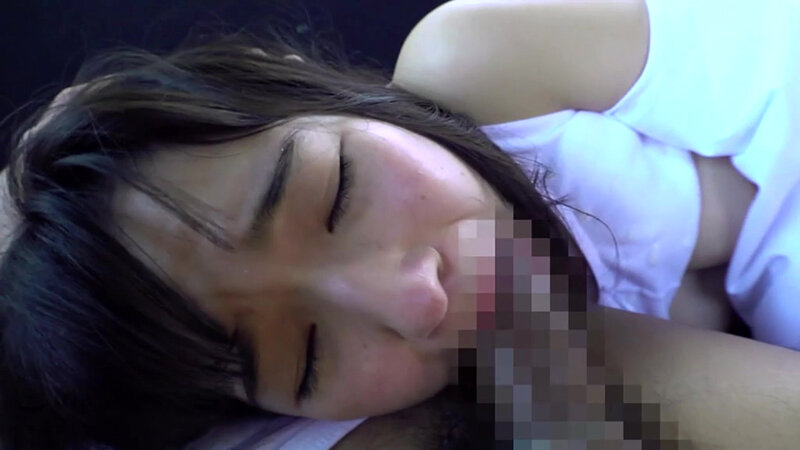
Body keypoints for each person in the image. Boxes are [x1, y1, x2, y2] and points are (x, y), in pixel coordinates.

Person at [2, 0, 800, 448]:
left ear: (296, 84)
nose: (415, 298)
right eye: (308, 356)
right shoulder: (472, 406)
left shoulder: (484, 60)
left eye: (337, 194)